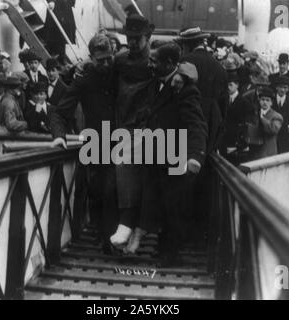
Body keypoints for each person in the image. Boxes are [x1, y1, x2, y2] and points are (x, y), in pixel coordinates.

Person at [125, 43, 208, 266]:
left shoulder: (185, 88)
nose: (150, 64)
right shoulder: (156, 84)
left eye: (154, 61)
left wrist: (196, 155)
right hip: (156, 155)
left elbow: (196, 123)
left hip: (175, 157)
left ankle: (169, 255)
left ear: (170, 64)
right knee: (156, 201)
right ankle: (161, 248)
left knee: (174, 207)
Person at [50, 34, 117, 253]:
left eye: (109, 58)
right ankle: (102, 233)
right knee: (98, 189)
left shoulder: (119, 70)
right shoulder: (84, 80)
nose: (106, 64)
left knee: (112, 190)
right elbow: (60, 113)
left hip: (122, 141)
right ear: (91, 58)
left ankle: (109, 237)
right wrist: (59, 135)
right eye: (100, 60)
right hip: (95, 142)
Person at [108, 14, 155, 248]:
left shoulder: (155, 61)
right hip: (124, 125)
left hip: (149, 128)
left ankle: (137, 228)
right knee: (124, 170)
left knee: (146, 178)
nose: (133, 42)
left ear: (148, 37)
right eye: (130, 38)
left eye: (138, 38)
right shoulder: (120, 60)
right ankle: (127, 224)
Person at [178, 26, 228, 119]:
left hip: (189, 117)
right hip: (212, 119)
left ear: (187, 44)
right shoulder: (219, 66)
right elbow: (224, 101)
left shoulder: (185, 61)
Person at [248, 87, 283, 160]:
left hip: (267, 153)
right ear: (259, 101)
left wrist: (262, 118)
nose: (265, 102)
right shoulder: (254, 113)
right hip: (254, 152)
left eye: (267, 100)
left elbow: (273, 129)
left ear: (271, 103)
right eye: (263, 99)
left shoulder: (276, 116)